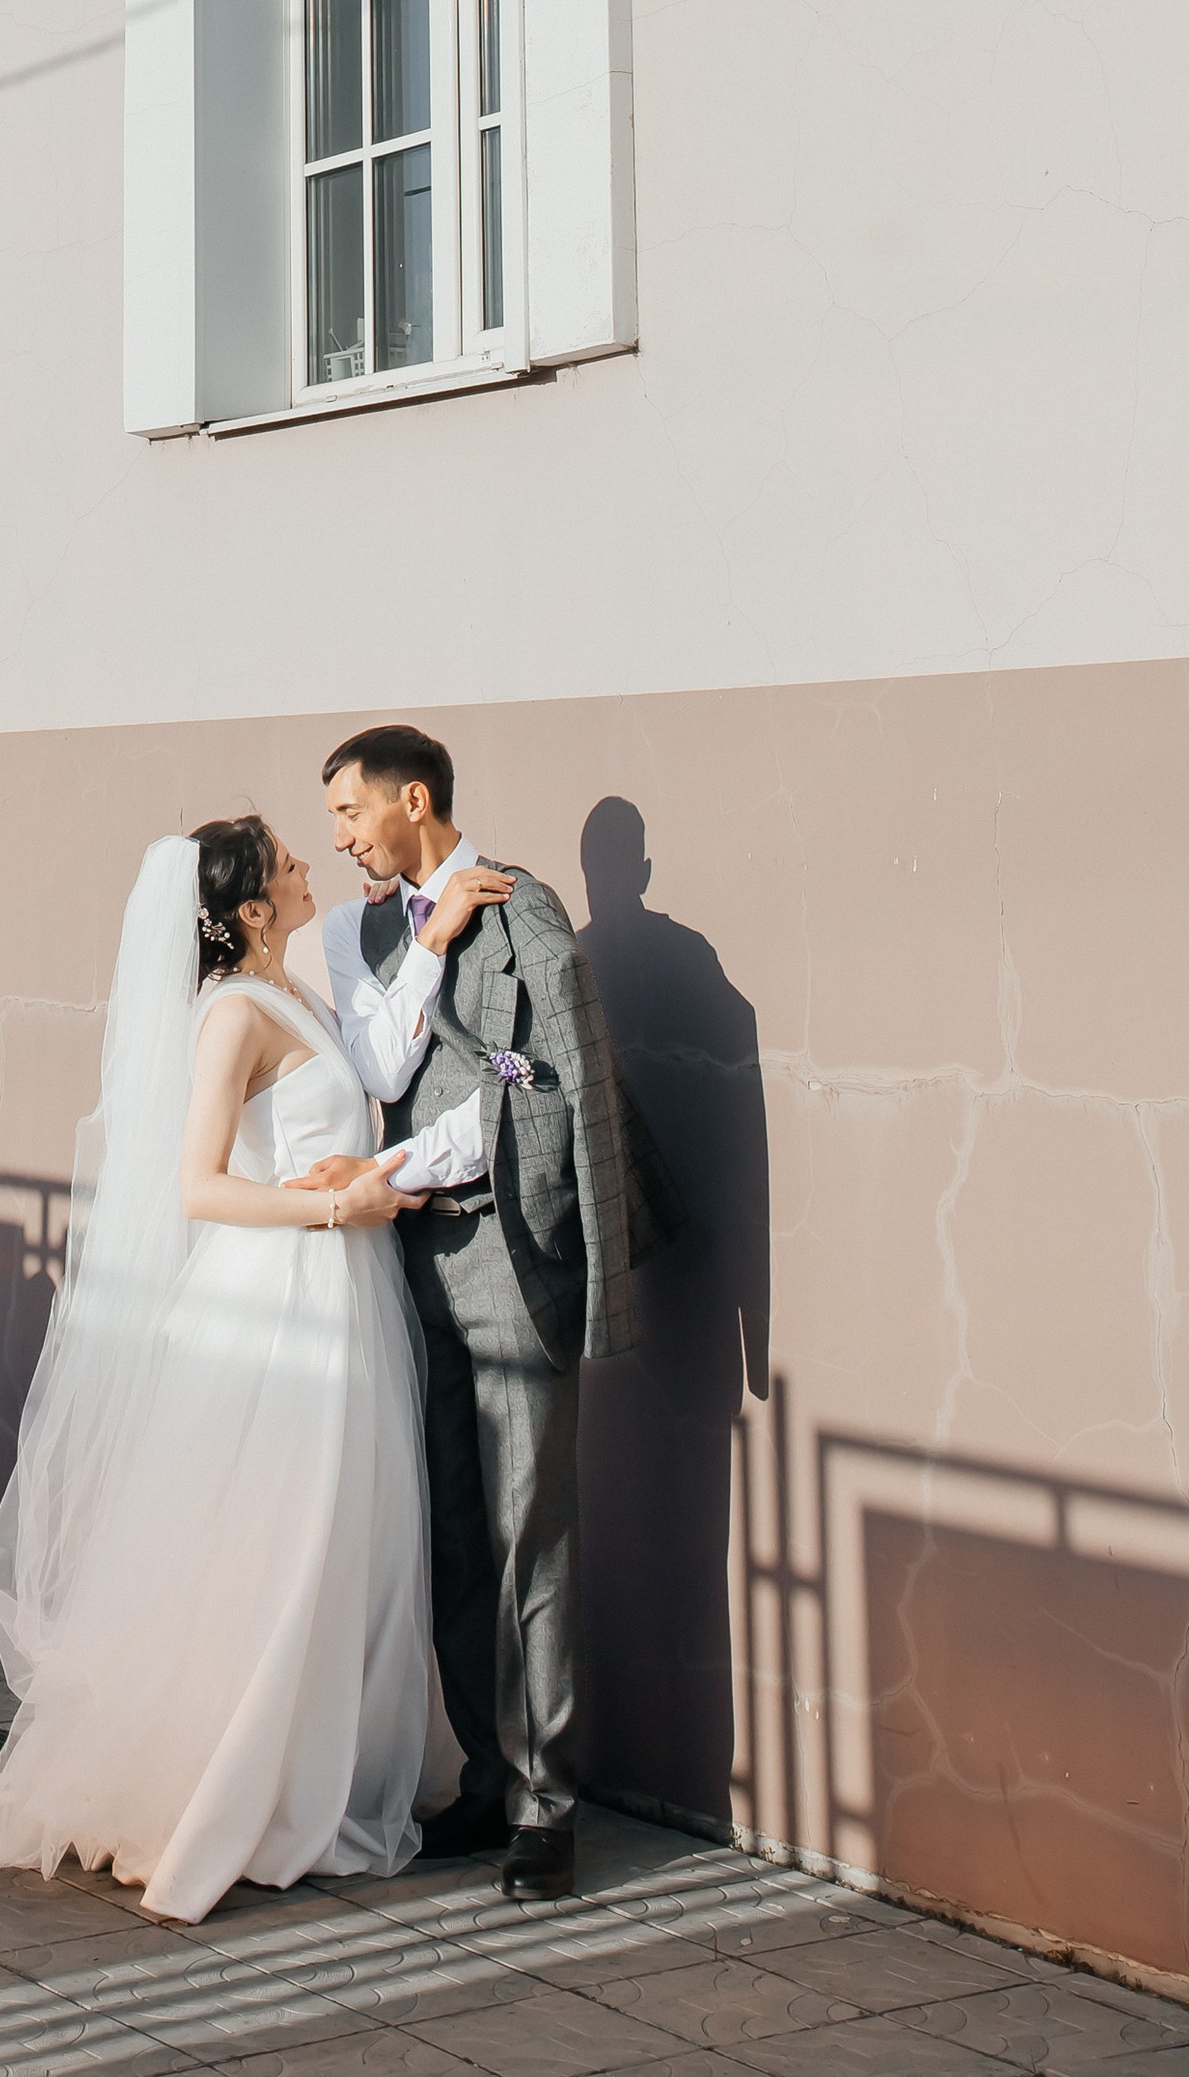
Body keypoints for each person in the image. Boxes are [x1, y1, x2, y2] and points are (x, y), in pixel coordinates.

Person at [0, 816, 457, 1919]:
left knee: (332, 1543)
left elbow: (313, 1121)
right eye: (286, 863)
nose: (304, 868)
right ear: (245, 910)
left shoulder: (295, 994)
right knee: (273, 1545)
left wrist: (371, 1171)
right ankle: (218, 1792)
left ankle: (296, 1772)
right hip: (278, 1299)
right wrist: (334, 1204)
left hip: (339, 1285)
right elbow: (198, 1185)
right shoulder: (232, 1013)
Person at [289, 724, 675, 1906]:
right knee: (451, 1532)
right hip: (410, 1267)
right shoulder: (360, 935)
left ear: (414, 800)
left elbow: (550, 1085)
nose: (342, 839)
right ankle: (486, 1781)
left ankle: (547, 1811)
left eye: (352, 814)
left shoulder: (529, 914)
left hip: (510, 1259)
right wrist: (426, 947)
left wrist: (401, 1166)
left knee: (531, 1538)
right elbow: (382, 1072)